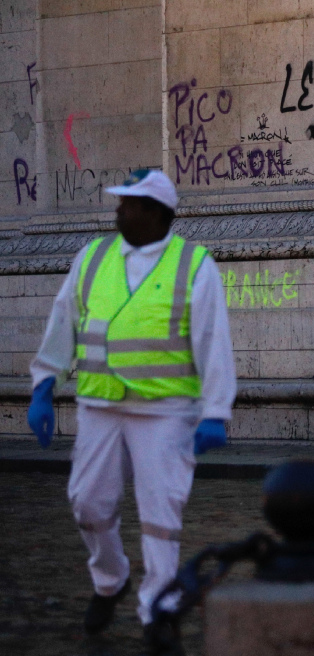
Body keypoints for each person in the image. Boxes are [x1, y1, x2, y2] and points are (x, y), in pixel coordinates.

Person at [26, 169, 236, 654]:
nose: (118, 211)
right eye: (119, 202)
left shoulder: (193, 264)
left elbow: (212, 341)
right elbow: (64, 323)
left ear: (157, 213)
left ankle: (158, 610)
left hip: (166, 411)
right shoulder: (93, 257)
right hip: (100, 405)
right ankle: (110, 577)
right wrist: (44, 384)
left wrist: (215, 411)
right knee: (87, 503)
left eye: (130, 204)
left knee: (161, 514)